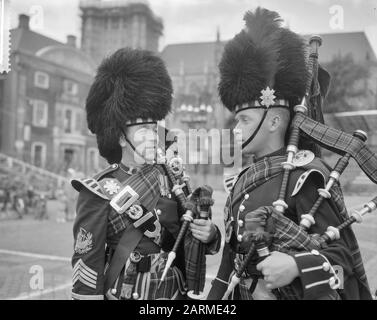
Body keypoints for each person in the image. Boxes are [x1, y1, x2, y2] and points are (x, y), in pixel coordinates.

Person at [207, 7, 372, 300]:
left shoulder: (304, 175)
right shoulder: (243, 180)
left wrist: (297, 265)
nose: (235, 128)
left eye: (243, 119)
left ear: (273, 121)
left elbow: (341, 256)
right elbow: (228, 267)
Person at [70, 48, 221, 300]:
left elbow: (188, 237)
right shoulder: (97, 190)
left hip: (174, 291)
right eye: (144, 129)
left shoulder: (173, 178)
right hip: (128, 290)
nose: (154, 136)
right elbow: (87, 260)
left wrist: (210, 234)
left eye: (154, 128)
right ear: (120, 137)